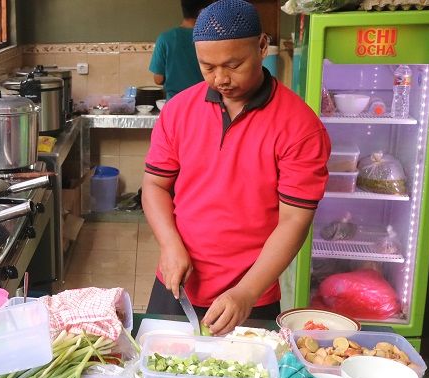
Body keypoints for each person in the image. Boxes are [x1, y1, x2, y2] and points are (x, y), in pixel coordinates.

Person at [142, 0, 331, 336]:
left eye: (233, 64)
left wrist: (247, 291)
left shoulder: (300, 126)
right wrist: (169, 244)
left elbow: (294, 218)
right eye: (208, 67)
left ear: (261, 47)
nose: (221, 79)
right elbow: (155, 185)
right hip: (178, 283)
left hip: (250, 291)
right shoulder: (178, 111)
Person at [149, 0, 215, 100]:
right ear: (202, 11)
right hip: (204, 102)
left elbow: (158, 79)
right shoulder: (212, 39)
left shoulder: (165, 38)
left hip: (174, 103)